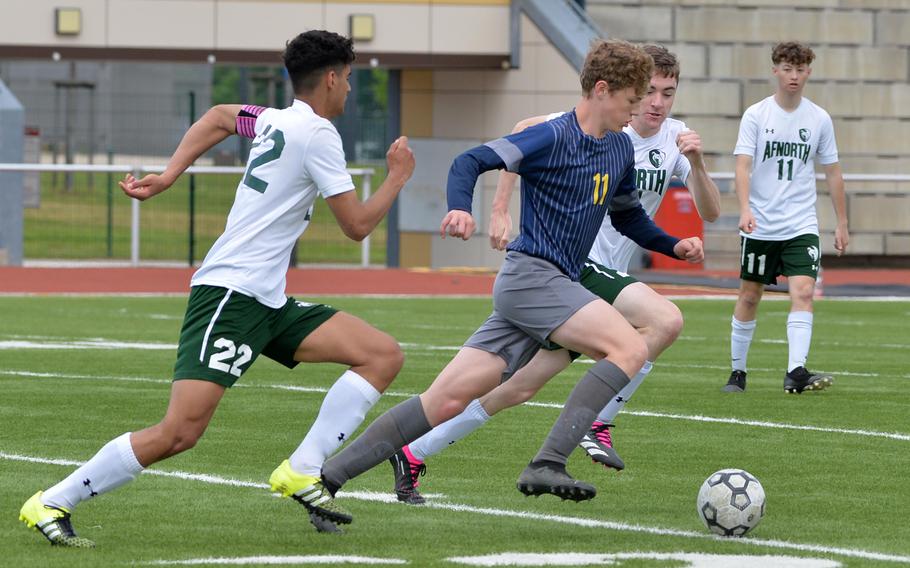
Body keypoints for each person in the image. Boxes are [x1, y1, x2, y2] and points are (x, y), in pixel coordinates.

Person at [18, 30, 415, 547]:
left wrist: (167, 175)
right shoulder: (317, 134)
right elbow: (357, 226)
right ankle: (52, 501)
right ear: (334, 78)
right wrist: (397, 177)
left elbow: (220, 117)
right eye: (349, 79)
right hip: (231, 296)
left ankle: (303, 468)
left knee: (381, 355)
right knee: (179, 433)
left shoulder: (272, 118)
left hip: (267, 299)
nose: (348, 91)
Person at [298, 39, 704, 529]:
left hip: (548, 287)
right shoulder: (550, 137)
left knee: (445, 399)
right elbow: (470, 161)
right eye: (632, 99)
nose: (639, 110)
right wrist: (460, 207)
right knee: (628, 348)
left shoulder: (617, 147)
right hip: (533, 278)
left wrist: (672, 245)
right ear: (602, 89)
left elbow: (629, 217)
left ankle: (324, 481)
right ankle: (549, 461)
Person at [723, 41, 848, 394]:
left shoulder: (819, 118)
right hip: (761, 223)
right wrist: (745, 209)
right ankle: (738, 372)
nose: (793, 76)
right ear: (775, 70)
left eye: (800, 69)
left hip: (800, 224)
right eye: (787, 68)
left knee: (804, 292)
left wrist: (841, 222)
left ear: (809, 71)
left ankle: (795, 371)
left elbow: (833, 172)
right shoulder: (757, 115)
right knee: (750, 296)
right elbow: (742, 166)